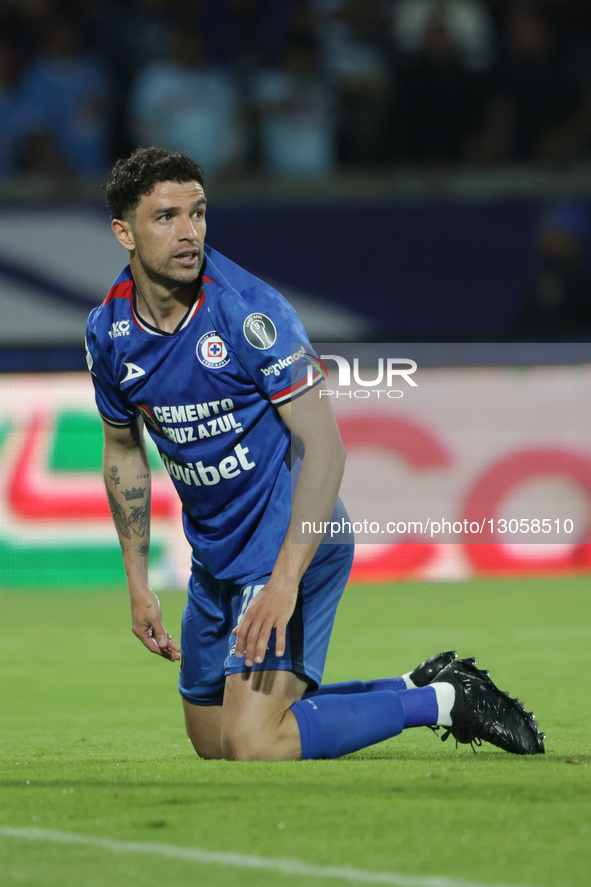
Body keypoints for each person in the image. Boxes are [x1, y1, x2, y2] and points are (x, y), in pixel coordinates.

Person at [85, 145, 545, 761]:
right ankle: (419, 687)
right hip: (217, 557)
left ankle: (440, 704)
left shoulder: (251, 313)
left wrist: (282, 583)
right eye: (166, 217)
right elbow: (123, 450)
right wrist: (138, 584)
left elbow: (324, 448)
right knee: (213, 741)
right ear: (124, 233)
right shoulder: (108, 332)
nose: (189, 232)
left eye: (197, 213)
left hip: (296, 541)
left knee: (252, 742)